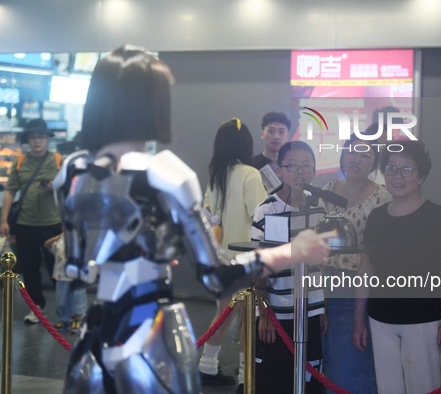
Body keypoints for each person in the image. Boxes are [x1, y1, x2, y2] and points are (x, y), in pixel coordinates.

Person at [53, 45, 332, 394]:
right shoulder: (166, 174)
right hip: (151, 335)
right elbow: (216, 277)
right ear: (152, 103)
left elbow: (81, 261)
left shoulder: (70, 172)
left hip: (94, 337)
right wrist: (291, 252)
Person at [353, 140, 441, 394]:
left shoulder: (436, 216)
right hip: (381, 318)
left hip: (423, 319)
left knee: (423, 387)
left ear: (421, 176)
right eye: (391, 168)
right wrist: (358, 319)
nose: (397, 176)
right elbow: (365, 271)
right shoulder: (376, 217)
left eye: (407, 169)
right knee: (389, 388)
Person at [251, 140, 326, 394]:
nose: (301, 172)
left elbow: (320, 265)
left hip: (311, 311)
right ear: (279, 170)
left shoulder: (319, 207)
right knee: (276, 379)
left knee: (311, 376)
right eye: (292, 166)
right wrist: (265, 313)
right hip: (277, 312)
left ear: (315, 171)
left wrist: (321, 308)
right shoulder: (266, 210)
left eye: (307, 166)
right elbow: (259, 268)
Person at [198, 118, 268, 386]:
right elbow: (261, 214)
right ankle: (244, 377)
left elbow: (207, 214)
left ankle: (207, 365)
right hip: (246, 258)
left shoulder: (216, 175)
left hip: (221, 258)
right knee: (247, 319)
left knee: (223, 314)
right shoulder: (250, 174)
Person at [321, 132, 390, 394]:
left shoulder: (382, 197)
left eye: (365, 155)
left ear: (374, 162)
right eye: (352, 151)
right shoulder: (327, 191)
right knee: (325, 364)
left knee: (351, 370)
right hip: (324, 286)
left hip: (358, 289)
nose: (356, 159)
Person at [0, 118, 63, 323]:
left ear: (47, 139)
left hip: (52, 223)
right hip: (25, 224)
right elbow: (10, 192)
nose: (37, 141)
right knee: (29, 267)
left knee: (58, 268)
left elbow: (70, 187)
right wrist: (3, 220)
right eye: (33, 137)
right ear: (27, 140)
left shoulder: (57, 160)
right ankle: (37, 307)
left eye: (41, 137)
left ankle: (65, 309)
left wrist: (54, 186)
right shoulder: (20, 162)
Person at [43, 233, 87, 332]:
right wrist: (58, 237)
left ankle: (78, 319)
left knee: (78, 300)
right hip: (61, 276)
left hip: (77, 277)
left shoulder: (80, 241)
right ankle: (63, 319)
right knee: (61, 300)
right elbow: (46, 245)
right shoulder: (59, 243)